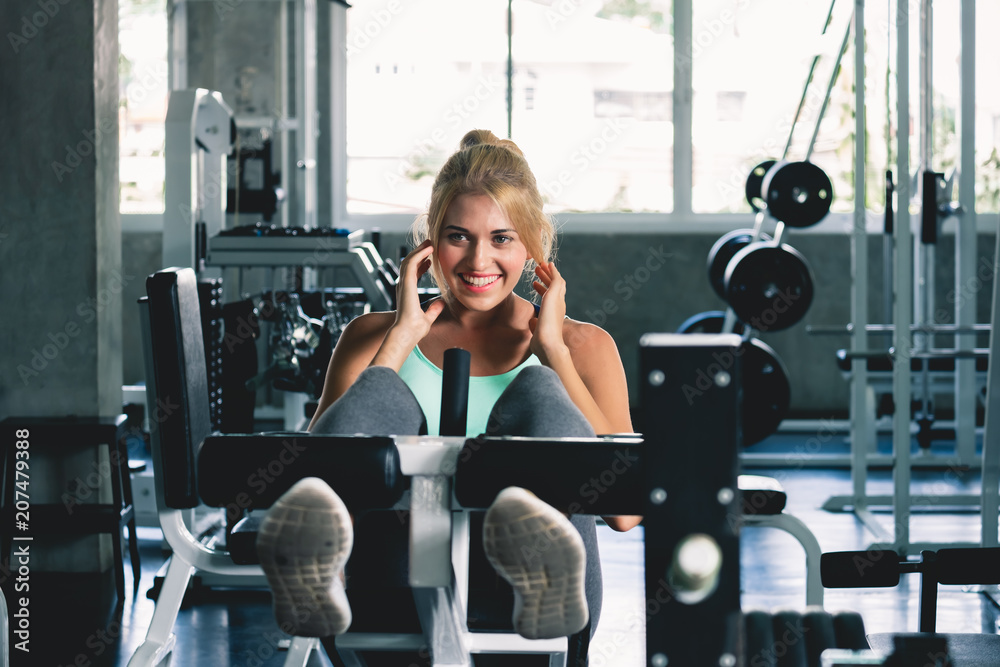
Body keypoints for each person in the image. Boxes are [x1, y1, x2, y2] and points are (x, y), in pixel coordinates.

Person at [256, 129, 641, 655]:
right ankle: (319, 580)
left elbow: (624, 513)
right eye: (459, 236)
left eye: (501, 238)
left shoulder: (585, 345)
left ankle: (535, 556)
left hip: (528, 606)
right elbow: (303, 474)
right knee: (382, 393)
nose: (478, 261)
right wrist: (399, 342)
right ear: (429, 242)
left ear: (532, 244)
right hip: (387, 586)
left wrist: (552, 348)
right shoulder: (372, 336)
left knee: (540, 390)